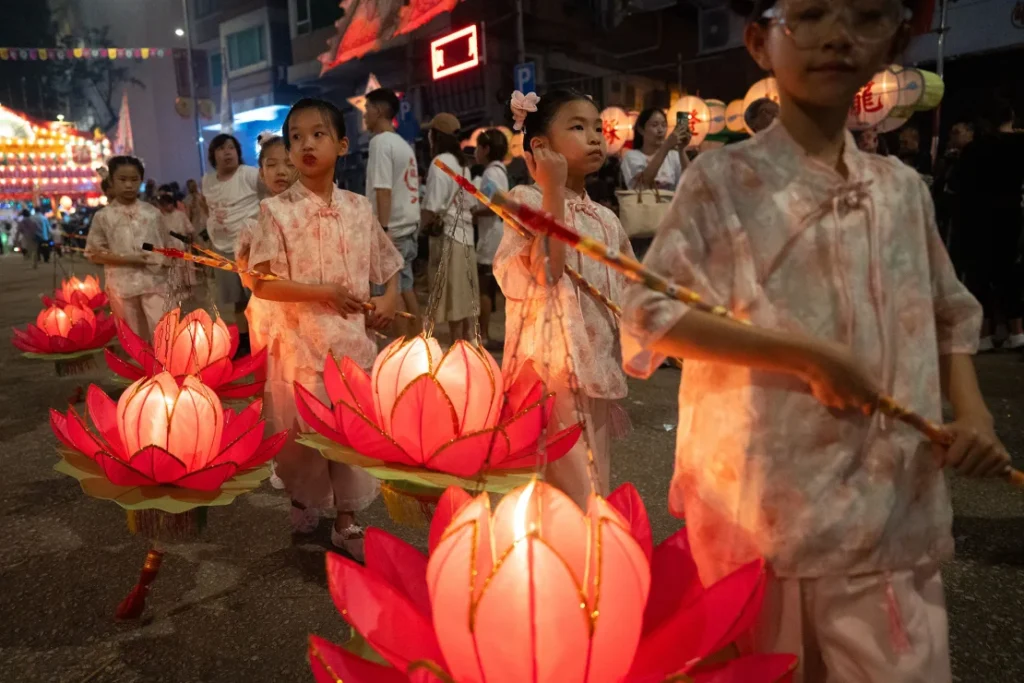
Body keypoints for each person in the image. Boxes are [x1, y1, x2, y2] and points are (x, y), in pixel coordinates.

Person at [619, 1, 1012, 681]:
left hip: (889, 516)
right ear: (760, 40)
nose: (837, 35)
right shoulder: (722, 181)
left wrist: (972, 412)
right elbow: (649, 312)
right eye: (809, 14)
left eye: (864, 15)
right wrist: (803, 354)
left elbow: (951, 312)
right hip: (764, 520)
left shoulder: (903, 191)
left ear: (895, 36)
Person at [248, 98, 403, 559]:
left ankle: (347, 520)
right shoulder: (275, 213)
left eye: (317, 134)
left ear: (341, 144)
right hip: (301, 345)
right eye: (296, 137)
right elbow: (261, 282)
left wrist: (389, 298)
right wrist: (323, 292)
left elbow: (388, 263)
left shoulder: (358, 208)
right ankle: (303, 496)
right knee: (305, 438)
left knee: (349, 433)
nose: (305, 145)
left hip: (352, 345)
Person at [493, 89, 635, 509]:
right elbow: (546, 271)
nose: (595, 137)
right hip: (549, 370)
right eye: (577, 127)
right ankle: (572, 563)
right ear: (540, 146)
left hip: (596, 366)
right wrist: (552, 190)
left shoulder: (604, 216)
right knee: (568, 487)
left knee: (594, 475)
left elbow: (627, 290)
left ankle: (579, 563)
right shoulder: (527, 201)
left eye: (597, 127)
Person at [957, 101, 1024, 351]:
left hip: (978, 217)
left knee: (980, 275)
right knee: (1009, 273)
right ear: (1012, 117)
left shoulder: (973, 149)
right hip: (1010, 214)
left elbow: (960, 185)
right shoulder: (1019, 145)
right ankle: (1017, 331)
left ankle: (983, 335)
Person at [86, 156, 168, 340]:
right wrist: (129, 259)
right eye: (122, 180)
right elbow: (93, 253)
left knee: (163, 333)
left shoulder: (152, 213)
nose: (129, 185)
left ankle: (165, 369)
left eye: (134, 179)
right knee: (133, 339)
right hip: (121, 286)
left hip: (154, 283)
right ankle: (140, 369)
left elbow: (166, 245)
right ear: (112, 181)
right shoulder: (103, 216)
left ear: (141, 180)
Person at [364, 87, 422, 336]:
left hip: (392, 231)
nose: (364, 116)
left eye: (366, 110)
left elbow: (383, 189)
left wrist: (383, 230)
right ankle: (419, 343)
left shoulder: (380, 142)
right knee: (405, 288)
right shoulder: (402, 144)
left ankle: (401, 350)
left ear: (378, 111)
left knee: (390, 294)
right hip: (408, 228)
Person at [421, 113, 479, 342]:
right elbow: (472, 203)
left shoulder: (439, 164)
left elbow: (433, 206)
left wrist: (421, 227)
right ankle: (466, 342)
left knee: (454, 297)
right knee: (465, 295)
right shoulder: (463, 165)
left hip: (450, 236)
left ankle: (458, 348)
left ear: (435, 135)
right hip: (467, 236)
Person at [203, 133, 260, 355]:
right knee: (236, 300)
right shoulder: (207, 180)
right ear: (213, 155)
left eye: (231, 147)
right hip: (223, 247)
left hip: (250, 247)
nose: (227, 152)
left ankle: (261, 340)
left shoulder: (249, 174)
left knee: (258, 297)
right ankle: (245, 342)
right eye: (221, 148)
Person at [472, 128, 511, 350]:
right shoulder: (500, 172)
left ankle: (483, 336)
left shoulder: (490, 174)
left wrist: (475, 213)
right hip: (497, 235)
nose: (476, 152)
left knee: (485, 289)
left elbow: (496, 205)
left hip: (491, 238)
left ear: (486, 149)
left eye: (478, 147)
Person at [620, 107, 691, 191]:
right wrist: (666, 146)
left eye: (664, 125)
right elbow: (644, 183)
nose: (660, 130)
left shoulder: (673, 156)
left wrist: (681, 149)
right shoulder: (631, 156)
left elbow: (690, 181)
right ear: (641, 129)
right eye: (654, 125)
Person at [156, 184, 198, 296]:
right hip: (170, 246)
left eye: (168, 204)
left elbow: (189, 230)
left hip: (182, 243)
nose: (167, 207)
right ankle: (179, 290)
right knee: (175, 269)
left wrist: (190, 242)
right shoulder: (161, 218)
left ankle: (190, 290)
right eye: (164, 205)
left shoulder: (180, 215)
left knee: (187, 267)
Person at [183, 178, 209, 243]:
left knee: (204, 242)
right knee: (203, 242)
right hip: (200, 223)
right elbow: (188, 215)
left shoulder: (199, 197)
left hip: (200, 224)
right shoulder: (189, 199)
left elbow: (188, 215)